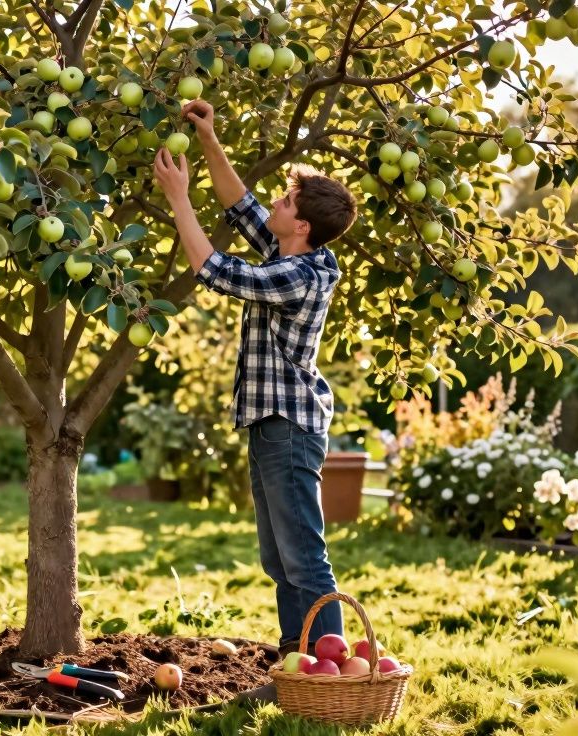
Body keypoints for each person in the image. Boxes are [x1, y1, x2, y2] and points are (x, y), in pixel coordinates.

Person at [152, 99, 359, 700]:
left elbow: (215, 271)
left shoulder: (301, 275)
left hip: (287, 427)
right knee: (280, 558)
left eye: (287, 202)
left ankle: (330, 678)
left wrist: (177, 200)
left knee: (304, 558)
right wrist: (209, 139)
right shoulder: (288, 251)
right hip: (273, 426)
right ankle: (298, 668)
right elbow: (240, 205)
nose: (276, 203)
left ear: (301, 226)